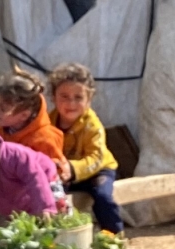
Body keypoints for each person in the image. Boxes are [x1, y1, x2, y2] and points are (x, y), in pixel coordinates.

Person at [48, 62, 121, 235]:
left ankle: (113, 239)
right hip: (64, 174)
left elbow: (97, 157)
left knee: (103, 197)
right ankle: (62, 238)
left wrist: (72, 169)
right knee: (53, 197)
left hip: (98, 170)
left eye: (78, 97)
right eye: (64, 96)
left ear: (89, 99)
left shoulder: (92, 125)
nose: (71, 103)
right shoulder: (48, 123)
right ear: (53, 97)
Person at [0, 69, 65, 172]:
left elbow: (54, 173)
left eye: (3, 108)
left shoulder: (44, 141)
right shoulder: (4, 128)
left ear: (24, 115)